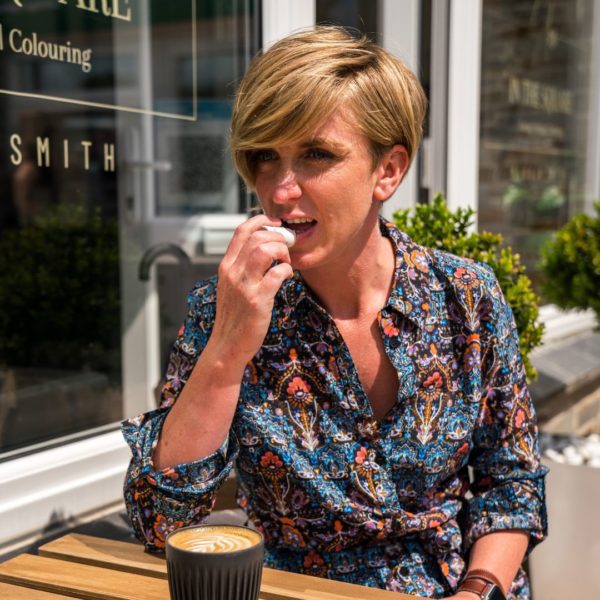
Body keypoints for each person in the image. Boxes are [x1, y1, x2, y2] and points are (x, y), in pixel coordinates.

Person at [122, 26, 547, 599]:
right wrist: (227, 348)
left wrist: (479, 588)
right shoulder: (226, 307)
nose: (280, 190)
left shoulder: (466, 298)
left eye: (316, 155)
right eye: (265, 158)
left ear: (388, 170)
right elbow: (161, 522)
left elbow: (510, 481)